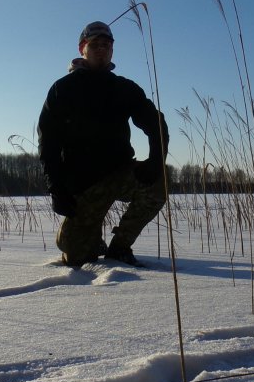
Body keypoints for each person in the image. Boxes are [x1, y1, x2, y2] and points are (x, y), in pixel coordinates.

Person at [37, 20, 169, 267]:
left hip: (119, 175)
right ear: (82, 49)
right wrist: (56, 187)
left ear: (112, 50)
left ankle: (119, 248)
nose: (101, 49)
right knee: (75, 255)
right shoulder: (62, 90)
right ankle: (88, 239)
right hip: (82, 186)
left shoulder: (124, 88)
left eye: (106, 45)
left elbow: (156, 123)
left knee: (159, 183)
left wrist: (155, 160)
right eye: (95, 44)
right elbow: (48, 143)